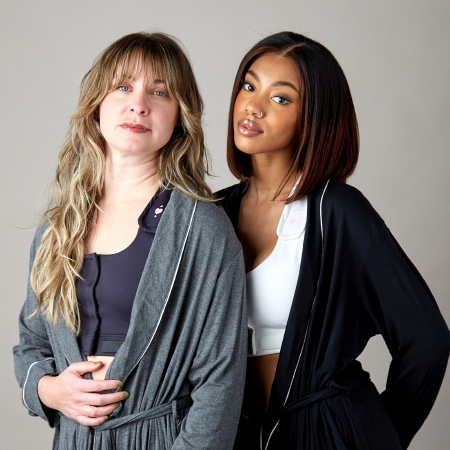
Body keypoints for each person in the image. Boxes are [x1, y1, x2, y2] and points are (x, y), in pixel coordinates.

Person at [216, 31, 450, 450]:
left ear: (313, 118)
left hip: (329, 432)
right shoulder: (211, 214)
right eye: (249, 86)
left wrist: (379, 436)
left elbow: (427, 338)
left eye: (280, 98)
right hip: (239, 434)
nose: (253, 106)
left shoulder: (337, 211)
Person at [13, 32, 247, 449]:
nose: (139, 104)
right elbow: (31, 343)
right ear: (96, 102)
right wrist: (49, 391)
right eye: (123, 86)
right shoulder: (57, 228)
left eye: (160, 92)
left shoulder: (203, 230)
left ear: (180, 116)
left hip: (161, 438)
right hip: (73, 440)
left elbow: (221, 382)